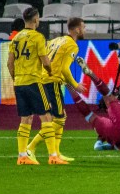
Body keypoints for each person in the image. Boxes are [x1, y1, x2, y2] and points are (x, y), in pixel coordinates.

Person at [25, 18, 89, 163]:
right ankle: (31, 147)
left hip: (43, 79)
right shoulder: (72, 45)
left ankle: (56, 154)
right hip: (52, 81)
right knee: (59, 119)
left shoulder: (56, 40)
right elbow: (64, 68)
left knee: (61, 116)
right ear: (77, 29)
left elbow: (47, 60)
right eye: (83, 27)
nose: (84, 30)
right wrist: (75, 85)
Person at [7, 7, 58, 165]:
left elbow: (9, 64)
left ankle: (22, 156)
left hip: (19, 83)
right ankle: (53, 156)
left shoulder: (15, 38)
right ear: (36, 19)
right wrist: (50, 71)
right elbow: (45, 61)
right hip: (34, 81)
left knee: (26, 118)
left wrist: (16, 79)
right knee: (46, 116)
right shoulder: (38, 37)